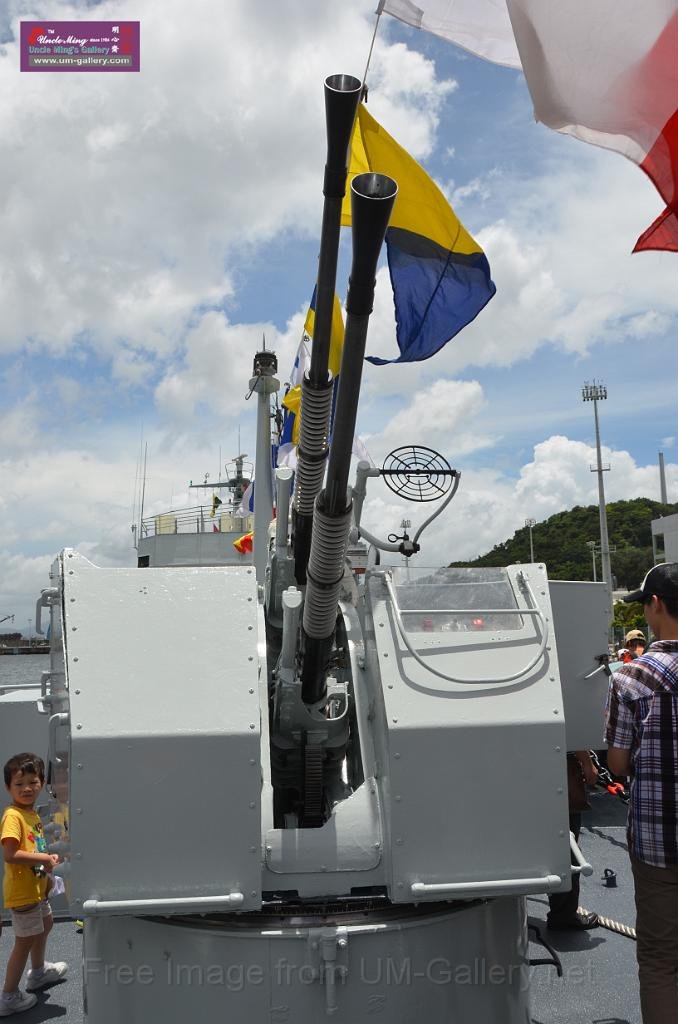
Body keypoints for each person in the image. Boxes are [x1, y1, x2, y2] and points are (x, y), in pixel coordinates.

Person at [605, 563, 678, 1024]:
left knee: (659, 959)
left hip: (658, 842)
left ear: (654, 605)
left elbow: (618, 764)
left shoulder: (631, 678)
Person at [1, 753, 67, 1016]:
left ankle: (38, 973)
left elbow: (34, 849)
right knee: (24, 941)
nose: (27, 788)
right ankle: (8, 995)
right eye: (19, 784)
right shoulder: (13, 816)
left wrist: (48, 876)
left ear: (42, 783)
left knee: (46, 925)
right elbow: (10, 854)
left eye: (33, 781)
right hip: (23, 893)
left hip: (37, 889)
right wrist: (44, 858)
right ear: (8, 787)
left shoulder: (31, 815)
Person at [546, 749, 599, 930]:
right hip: (558, 766)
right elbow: (570, 725)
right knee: (567, 846)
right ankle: (563, 914)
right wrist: (587, 762)